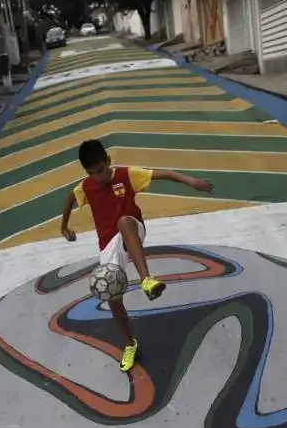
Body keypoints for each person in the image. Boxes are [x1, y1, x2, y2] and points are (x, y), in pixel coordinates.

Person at [60, 139, 213, 372]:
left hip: (132, 227)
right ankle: (129, 344)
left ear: (108, 162)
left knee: (124, 222)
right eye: (92, 173)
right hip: (108, 243)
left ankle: (146, 280)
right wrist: (64, 227)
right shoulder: (86, 187)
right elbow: (70, 199)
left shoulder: (127, 175)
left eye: (100, 170)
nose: (98, 177)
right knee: (113, 295)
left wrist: (191, 181)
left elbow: (167, 174)